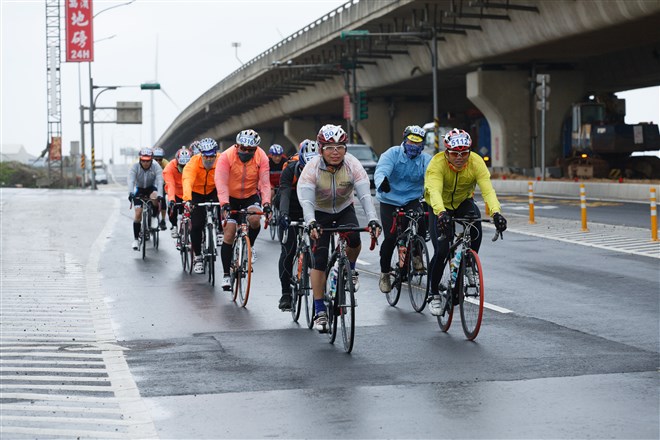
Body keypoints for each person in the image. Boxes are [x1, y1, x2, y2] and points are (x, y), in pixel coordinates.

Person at [297, 124, 382, 333]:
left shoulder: (353, 164)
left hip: (344, 208)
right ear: (321, 149)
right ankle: (320, 310)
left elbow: (364, 195)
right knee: (319, 258)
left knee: (354, 239)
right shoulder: (312, 168)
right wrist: (311, 222)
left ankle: (350, 270)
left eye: (340, 147)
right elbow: (306, 201)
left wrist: (372, 219)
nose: (335, 152)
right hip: (319, 212)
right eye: (329, 147)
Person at [424, 128, 507, 316]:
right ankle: (434, 293)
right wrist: (441, 213)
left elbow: (487, 190)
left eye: (464, 153)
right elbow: (434, 191)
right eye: (455, 153)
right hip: (439, 205)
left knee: (476, 226)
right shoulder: (436, 164)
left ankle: (468, 263)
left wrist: (496, 213)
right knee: (442, 249)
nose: (460, 157)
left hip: (462, 201)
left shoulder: (476, 162)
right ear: (447, 152)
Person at [374, 125, 432, 293]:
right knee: (391, 237)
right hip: (389, 199)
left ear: (422, 145)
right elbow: (381, 170)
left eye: (417, 143)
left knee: (421, 220)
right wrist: (382, 182)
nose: (413, 146)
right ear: (404, 140)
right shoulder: (392, 154)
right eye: (410, 141)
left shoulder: (426, 159)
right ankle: (385, 273)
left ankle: (416, 255)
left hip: (411, 199)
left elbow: (432, 176)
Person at [214, 129, 272, 290]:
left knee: (254, 220)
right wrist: (224, 203)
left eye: (250, 150)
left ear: (256, 149)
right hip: (230, 198)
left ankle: (248, 247)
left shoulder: (262, 157)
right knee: (229, 232)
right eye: (243, 149)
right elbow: (221, 181)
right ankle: (226, 274)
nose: (246, 152)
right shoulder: (226, 156)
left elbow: (265, 183)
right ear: (237, 146)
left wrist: (267, 204)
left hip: (250, 196)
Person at [276, 139, 320, 311]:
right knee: (288, 251)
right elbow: (285, 194)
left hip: (313, 209)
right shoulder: (289, 169)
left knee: (319, 250)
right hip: (292, 210)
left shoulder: (323, 169)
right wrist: (284, 215)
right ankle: (286, 293)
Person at [182, 138, 220, 274]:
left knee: (224, 201)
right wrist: (187, 199)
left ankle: (220, 230)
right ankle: (198, 257)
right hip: (196, 193)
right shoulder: (193, 163)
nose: (209, 159)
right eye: (206, 156)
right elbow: (187, 181)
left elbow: (228, 178)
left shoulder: (221, 160)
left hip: (213, 190)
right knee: (197, 225)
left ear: (216, 153)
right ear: (201, 154)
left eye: (212, 156)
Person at [127, 148, 164, 250]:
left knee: (155, 196)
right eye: (143, 160)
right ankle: (135, 239)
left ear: (151, 160)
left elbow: (160, 181)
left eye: (148, 161)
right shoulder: (134, 166)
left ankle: (153, 217)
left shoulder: (156, 166)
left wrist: (160, 194)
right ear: (140, 159)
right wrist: (130, 193)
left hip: (151, 187)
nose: (145, 163)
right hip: (139, 188)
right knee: (138, 214)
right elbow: (131, 180)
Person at [163, 147, 192, 238]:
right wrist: (172, 199)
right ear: (177, 162)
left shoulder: (193, 165)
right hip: (175, 191)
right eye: (181, 166)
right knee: (172, 207)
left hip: (189, 191)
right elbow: (170, 184)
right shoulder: (169, 168)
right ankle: (174, 226)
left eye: (186, 166)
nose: (184, 168)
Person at [152, 147, 170, 230]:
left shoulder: (166, 163)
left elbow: (169, 175)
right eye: (156, 159)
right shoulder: (148, 162)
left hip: (161, 183)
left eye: (160, 159)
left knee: (162, 199)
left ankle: (163, 220)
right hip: (151, 184)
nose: (158, 161)